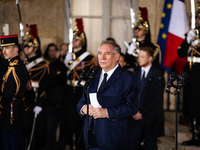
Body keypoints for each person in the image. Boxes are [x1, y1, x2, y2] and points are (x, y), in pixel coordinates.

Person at [76, 40, 138, 150]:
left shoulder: (127, 77)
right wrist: (84, 108)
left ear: (117, 56)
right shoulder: (93, 76)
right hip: (90, 137)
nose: (102, 57)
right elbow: (82, 101)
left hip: (113, 138)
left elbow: (131, 107)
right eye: (100, 53)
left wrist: (106, 112)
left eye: (107, 53)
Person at [64, 18, 97, 150]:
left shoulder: (89, 57)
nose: (73, 41)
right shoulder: (69, 56)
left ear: (82, 41)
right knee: (68, 120)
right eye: (73, 39)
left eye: (76, 39)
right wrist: (65, 62)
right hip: (68, 91)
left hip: (80, 91)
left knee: (78, 121)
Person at [130, 46, 165, 150]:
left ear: (150, 58)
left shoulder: (157, 74)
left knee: (150, 144)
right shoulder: (136, 72)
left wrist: (142, 112)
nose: (139, 59)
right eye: (139, 56)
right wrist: (134, 110)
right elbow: (131, 93)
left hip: (150, 117)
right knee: (133, 144)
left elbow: (156, 98)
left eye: (142, 57)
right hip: (135, 116)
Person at [177, 4, 200, 146]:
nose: (197, 21)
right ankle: (195, 136)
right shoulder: (191, 34)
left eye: (199, 19)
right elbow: (180, 53)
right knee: (192, 104)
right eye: (197, 18)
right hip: (191, 74)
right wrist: (187, 40)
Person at [0, 34, 28, 150]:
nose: (3, 51)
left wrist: (0, 106)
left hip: (10, 111)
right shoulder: (17, 64)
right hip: (17, 109)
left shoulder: (13, 67)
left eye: (7, 48)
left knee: (10, 143)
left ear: (16, 49)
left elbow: (8, 93)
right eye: (2, 48)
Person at [24, 24, 49, 150]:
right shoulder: (23, 63)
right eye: (24, 46)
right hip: (25, 101)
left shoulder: (42, 64)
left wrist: (40, 103)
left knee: (37, 132)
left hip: (36, 100)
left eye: (28, 46)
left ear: (35, 47)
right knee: (26, 131)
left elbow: (43, 86)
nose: (25, 49)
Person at [43, 43, 67, 150]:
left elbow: (61, 79)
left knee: (63, 128)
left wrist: (59, 61)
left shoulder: (61, 65)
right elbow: (51, 81)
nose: (53, 52)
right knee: (50, 128)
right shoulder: (47, 65)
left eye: (54, 50)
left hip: (61, 101)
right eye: (50, 50)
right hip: (51, 101)